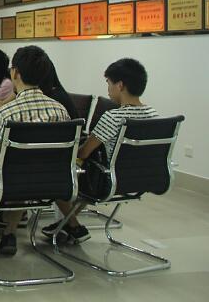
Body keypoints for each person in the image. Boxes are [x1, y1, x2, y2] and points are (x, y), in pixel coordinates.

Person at [0, 46, 70, 256]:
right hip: (51, 182)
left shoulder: (7, 112)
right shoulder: (60, 110)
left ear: (15, 72)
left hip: (11, 182)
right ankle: (9, 233)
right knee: (23, 168)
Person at [42, 58, 157, 244]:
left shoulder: (113, 117)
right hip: (140, 179)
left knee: (52, 173)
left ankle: (73, 225)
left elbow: (83, 153)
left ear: (120, 85)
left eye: (109, 83)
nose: (108, 89)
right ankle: (69, 224)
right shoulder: (153, 115)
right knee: (87, 173)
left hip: (106, 181)